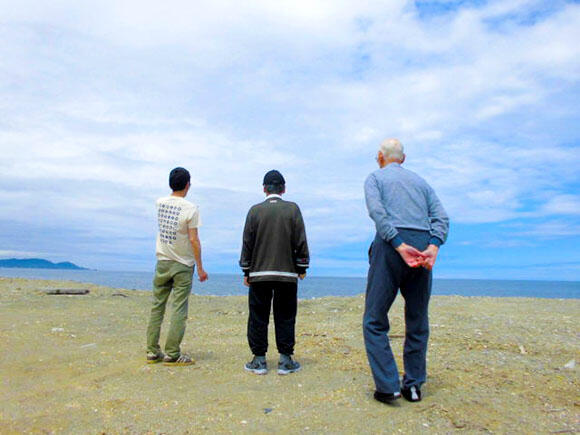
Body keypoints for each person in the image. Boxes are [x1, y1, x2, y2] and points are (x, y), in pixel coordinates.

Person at [363, 139, 449, 404]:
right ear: (404, 158)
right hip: (423, 247)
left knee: (374, 320)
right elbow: (441, 218)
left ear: (380, 157)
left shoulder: (375, 178)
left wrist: (398, 244)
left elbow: (377, 213)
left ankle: (388, 386)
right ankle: (413, 386)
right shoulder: (422, 183)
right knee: (417, 320)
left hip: (391, 247)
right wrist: (433, 245)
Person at [240, 170, 310, 375]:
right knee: (286, 316)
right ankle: (285, 360)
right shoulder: (292, 209)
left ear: (264, 189)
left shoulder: (254, 211)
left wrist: (246, 270)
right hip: (287, 275)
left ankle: (259, 360)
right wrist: (302, 266)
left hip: (259, 274)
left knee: (258, 316)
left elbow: (247, 243)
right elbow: (300, 240)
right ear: (283, 189)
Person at [146, 167, 208, 366]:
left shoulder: (160, 203)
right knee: (179, 308)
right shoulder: (191, 208)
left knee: (158, 306)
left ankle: (152, 350)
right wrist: (200, 267)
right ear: (188, 185)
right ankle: (172, 353)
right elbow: (194, 240)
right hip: (182, 264)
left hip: (162, 261)